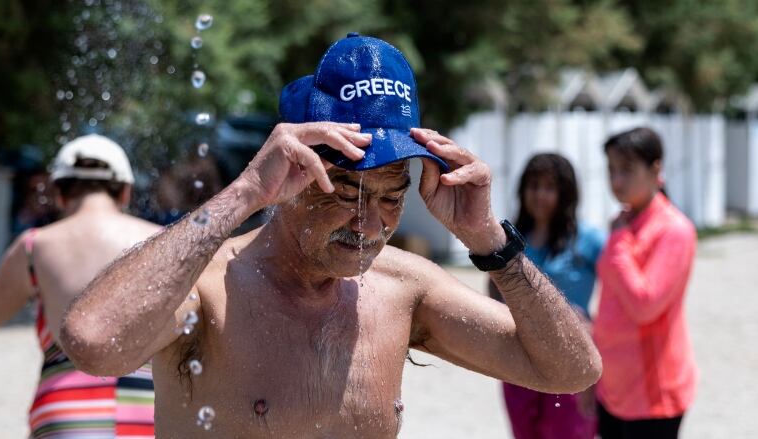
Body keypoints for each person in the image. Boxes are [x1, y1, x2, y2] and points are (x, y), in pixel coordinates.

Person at [61, 34, 601, 438]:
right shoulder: (211, 288)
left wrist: (491, 241)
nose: (369, 226)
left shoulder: (403, 290)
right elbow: (91, 341)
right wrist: (244, 192)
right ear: (292, 175)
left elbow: (573, 371)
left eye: (391, 196)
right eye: (343, 190)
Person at [0, 134, 158, 438]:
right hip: (148, 405)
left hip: (66, 408)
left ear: (60, 194)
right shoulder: (164, 241)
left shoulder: (35, 246)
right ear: (125, 192)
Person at [490, 153, 603, 439]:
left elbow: (618, 291)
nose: (539, 194)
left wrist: (597, 330)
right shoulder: (510, 238)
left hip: (570, 355)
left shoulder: (588, 239)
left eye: (549, 187)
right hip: (518, 357)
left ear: (565, 194)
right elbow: (494, 293)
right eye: (533, 185)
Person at [593, 127, 697, 439]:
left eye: (626, 169)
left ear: (655, 169)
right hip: (613, 386)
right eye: (611, 170)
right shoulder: (625, 221)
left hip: (652, 394)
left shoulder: (674, 230)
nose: (616, 181)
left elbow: (644, 304)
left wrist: (620, 241)